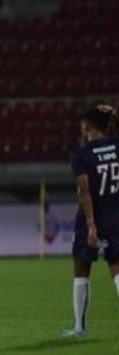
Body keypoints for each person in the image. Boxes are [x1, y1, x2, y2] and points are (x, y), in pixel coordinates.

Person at [63, 104, 119, 339]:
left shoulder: (82, 155)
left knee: (81, 268)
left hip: (92, 218)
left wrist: (91, 226)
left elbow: (84, 192)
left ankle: (79, 328)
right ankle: (79, 328)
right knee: (117, 269)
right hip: (116, 215)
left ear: (87, 127)